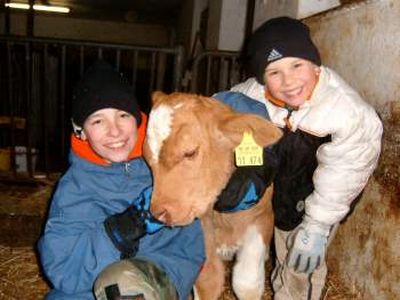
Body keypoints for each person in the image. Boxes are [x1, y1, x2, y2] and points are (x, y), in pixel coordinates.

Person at [227, 16, 383, 299]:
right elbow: (215, 110)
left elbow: (345, 172)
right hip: (277, 188)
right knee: (283, 251)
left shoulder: (346, 112)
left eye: (296, 65)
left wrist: (318, 226)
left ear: (315, 64)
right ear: (262, 79)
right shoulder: (253, 95)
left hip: (319, 195)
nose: (288, 81)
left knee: (300, 266)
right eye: (274, 72)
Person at [37, 60, 206, 300]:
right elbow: (64, 269)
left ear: (137, 120)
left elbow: (190, 248)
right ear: (81, 130)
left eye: (123, 115)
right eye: (98, 120)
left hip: (156, 281)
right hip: (88, 289)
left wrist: (162, 283)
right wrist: (118, 232)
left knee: (123, 287)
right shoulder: (74, 189)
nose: (114, 131)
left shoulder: (164, 169)